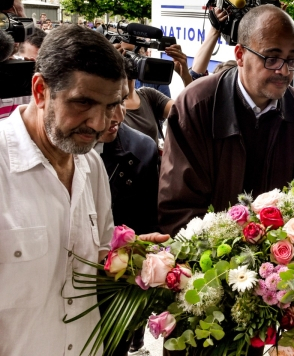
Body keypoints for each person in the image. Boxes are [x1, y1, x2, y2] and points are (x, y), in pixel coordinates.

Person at [0, 24, 168, 355]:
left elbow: (97, 262)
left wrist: (128, 256)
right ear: (40, 90)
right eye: (83, 103)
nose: (99, 123)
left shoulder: (89, 166)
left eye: (110, 106)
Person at [158, 5, 294, 236]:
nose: (285, 71)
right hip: (211, 260)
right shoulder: (196, 104)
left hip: (277, 261)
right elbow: (179, 210)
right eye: (272, 58)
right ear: (240, 55)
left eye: (292, 60)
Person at [94, 79, 158, 356]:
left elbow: (148, 222)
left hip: (116, 295)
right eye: (105, 104)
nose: (118, 116)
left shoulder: (142, 149)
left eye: (120, 101)